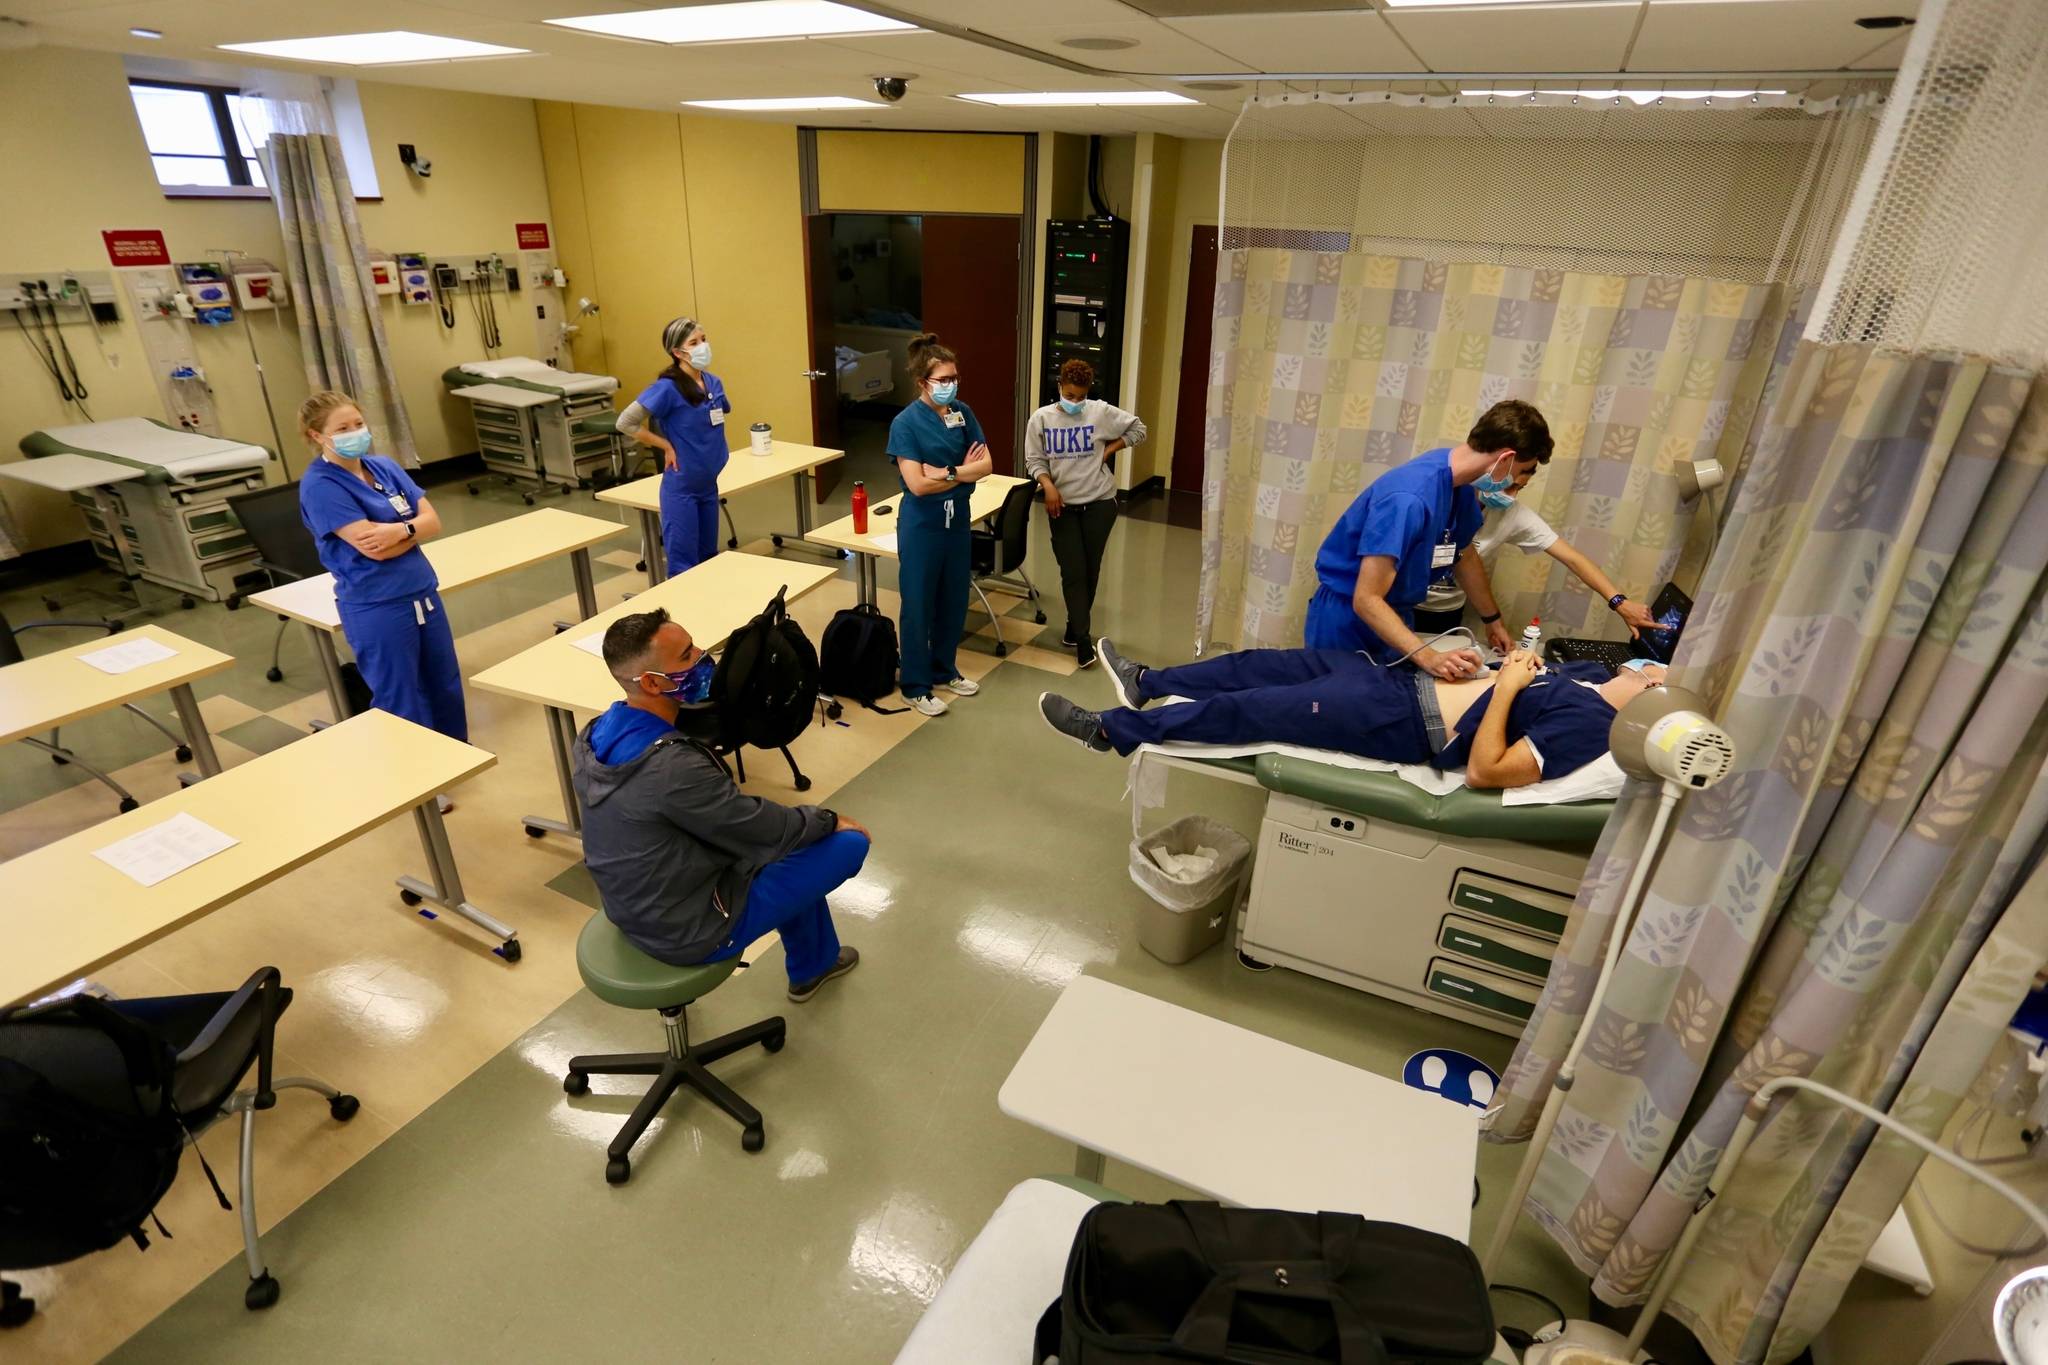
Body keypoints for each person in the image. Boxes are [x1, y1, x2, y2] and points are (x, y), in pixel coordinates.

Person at [572, 608, 867, 1002]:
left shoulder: (596, 732)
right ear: (651, 683)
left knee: (789, 841)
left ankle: (814, 964)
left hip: (634, 904)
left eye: (693, 646)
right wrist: (830, 821)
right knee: (844, 844)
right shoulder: (673, 769)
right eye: (686, 657)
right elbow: (755, 827)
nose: (702, 658)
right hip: (689, 929)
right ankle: (812, 965)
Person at [1038, 637, 1667, 790]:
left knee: (1254, 708)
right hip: (1397, 683)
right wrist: (1476, 663)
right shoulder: (1589, 678)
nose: (1644, 667)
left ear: (1653, 701)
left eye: (1654, 673)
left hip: (1399, 723)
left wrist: (1502, 691)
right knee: (1264, 664)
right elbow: (1513, 672)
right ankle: (1146, 681)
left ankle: (1109, 730)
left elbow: (1486, 771)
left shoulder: (1593, 729)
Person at [1303, 400, 1553, 678]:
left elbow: (1464, 554)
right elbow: (1366, 599)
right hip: (1348, 621)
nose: (1514, 485)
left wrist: (1492, 620)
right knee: (1339, 710)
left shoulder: (1459, 488)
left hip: (1394, 616)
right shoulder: (1408, 499)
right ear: (1506, 459)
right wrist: (1429, 657)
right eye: (1519, 473)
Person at [296, 390, 467, 777]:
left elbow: (433, 521)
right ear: (317, 436)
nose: (355, 432)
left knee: (443, 683)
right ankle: (415, 779)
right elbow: (375, 550)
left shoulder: (384, 467)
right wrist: (412, 530)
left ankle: (454, 761)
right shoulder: (321, 486)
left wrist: (400, 530)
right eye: (342, 428)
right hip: (377, 605)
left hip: (421, 592)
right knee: (399, 697)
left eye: (357, 424)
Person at [1411, 465, 1657, 642]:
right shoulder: (1437, 499)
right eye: (1509, 486)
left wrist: (1619, 602)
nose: (1512, 496)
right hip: (1403, 605)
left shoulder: (1512, 515)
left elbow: (1572, 558)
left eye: (1520, 488)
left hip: (1446, 614)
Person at [887, 332, 994, 717]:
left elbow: (986, 465)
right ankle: (914, 685)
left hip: (957, 521)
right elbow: (916, 483)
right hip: (923, 524)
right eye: (942, 380)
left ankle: (944, 669)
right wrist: (964, 473)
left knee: (952, 599)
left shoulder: (961, 413)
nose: (950, 386)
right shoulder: (905, 424)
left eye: (954, 378)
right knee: (918, 604)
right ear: (922, 383)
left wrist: (948, 471)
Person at [1026, 357, 1147, 669]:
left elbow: (1138, 428)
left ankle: (1073, 624)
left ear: (1088, 393)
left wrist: (1110, 448)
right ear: (1059, 388)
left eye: (1080, 396)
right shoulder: (1041, 419)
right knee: (1073, 571)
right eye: (1069, 395)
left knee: (1090, 571)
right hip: (1062, 507)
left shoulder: (1099, 412)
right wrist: (1047, 486)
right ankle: (1083, 640)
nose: (1075, 402)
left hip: (1100, 504)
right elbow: (1034, 460)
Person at [617, 316, 731, 576]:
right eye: (694, 342)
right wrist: (665, 445)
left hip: (708, 484)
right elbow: (626, 422)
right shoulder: (667, 388)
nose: (703, 346)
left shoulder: (713, 383)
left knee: (709, 558)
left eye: (704, 339)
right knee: (683, 565)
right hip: (682, 489)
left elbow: (718, 414)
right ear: (677, 352)